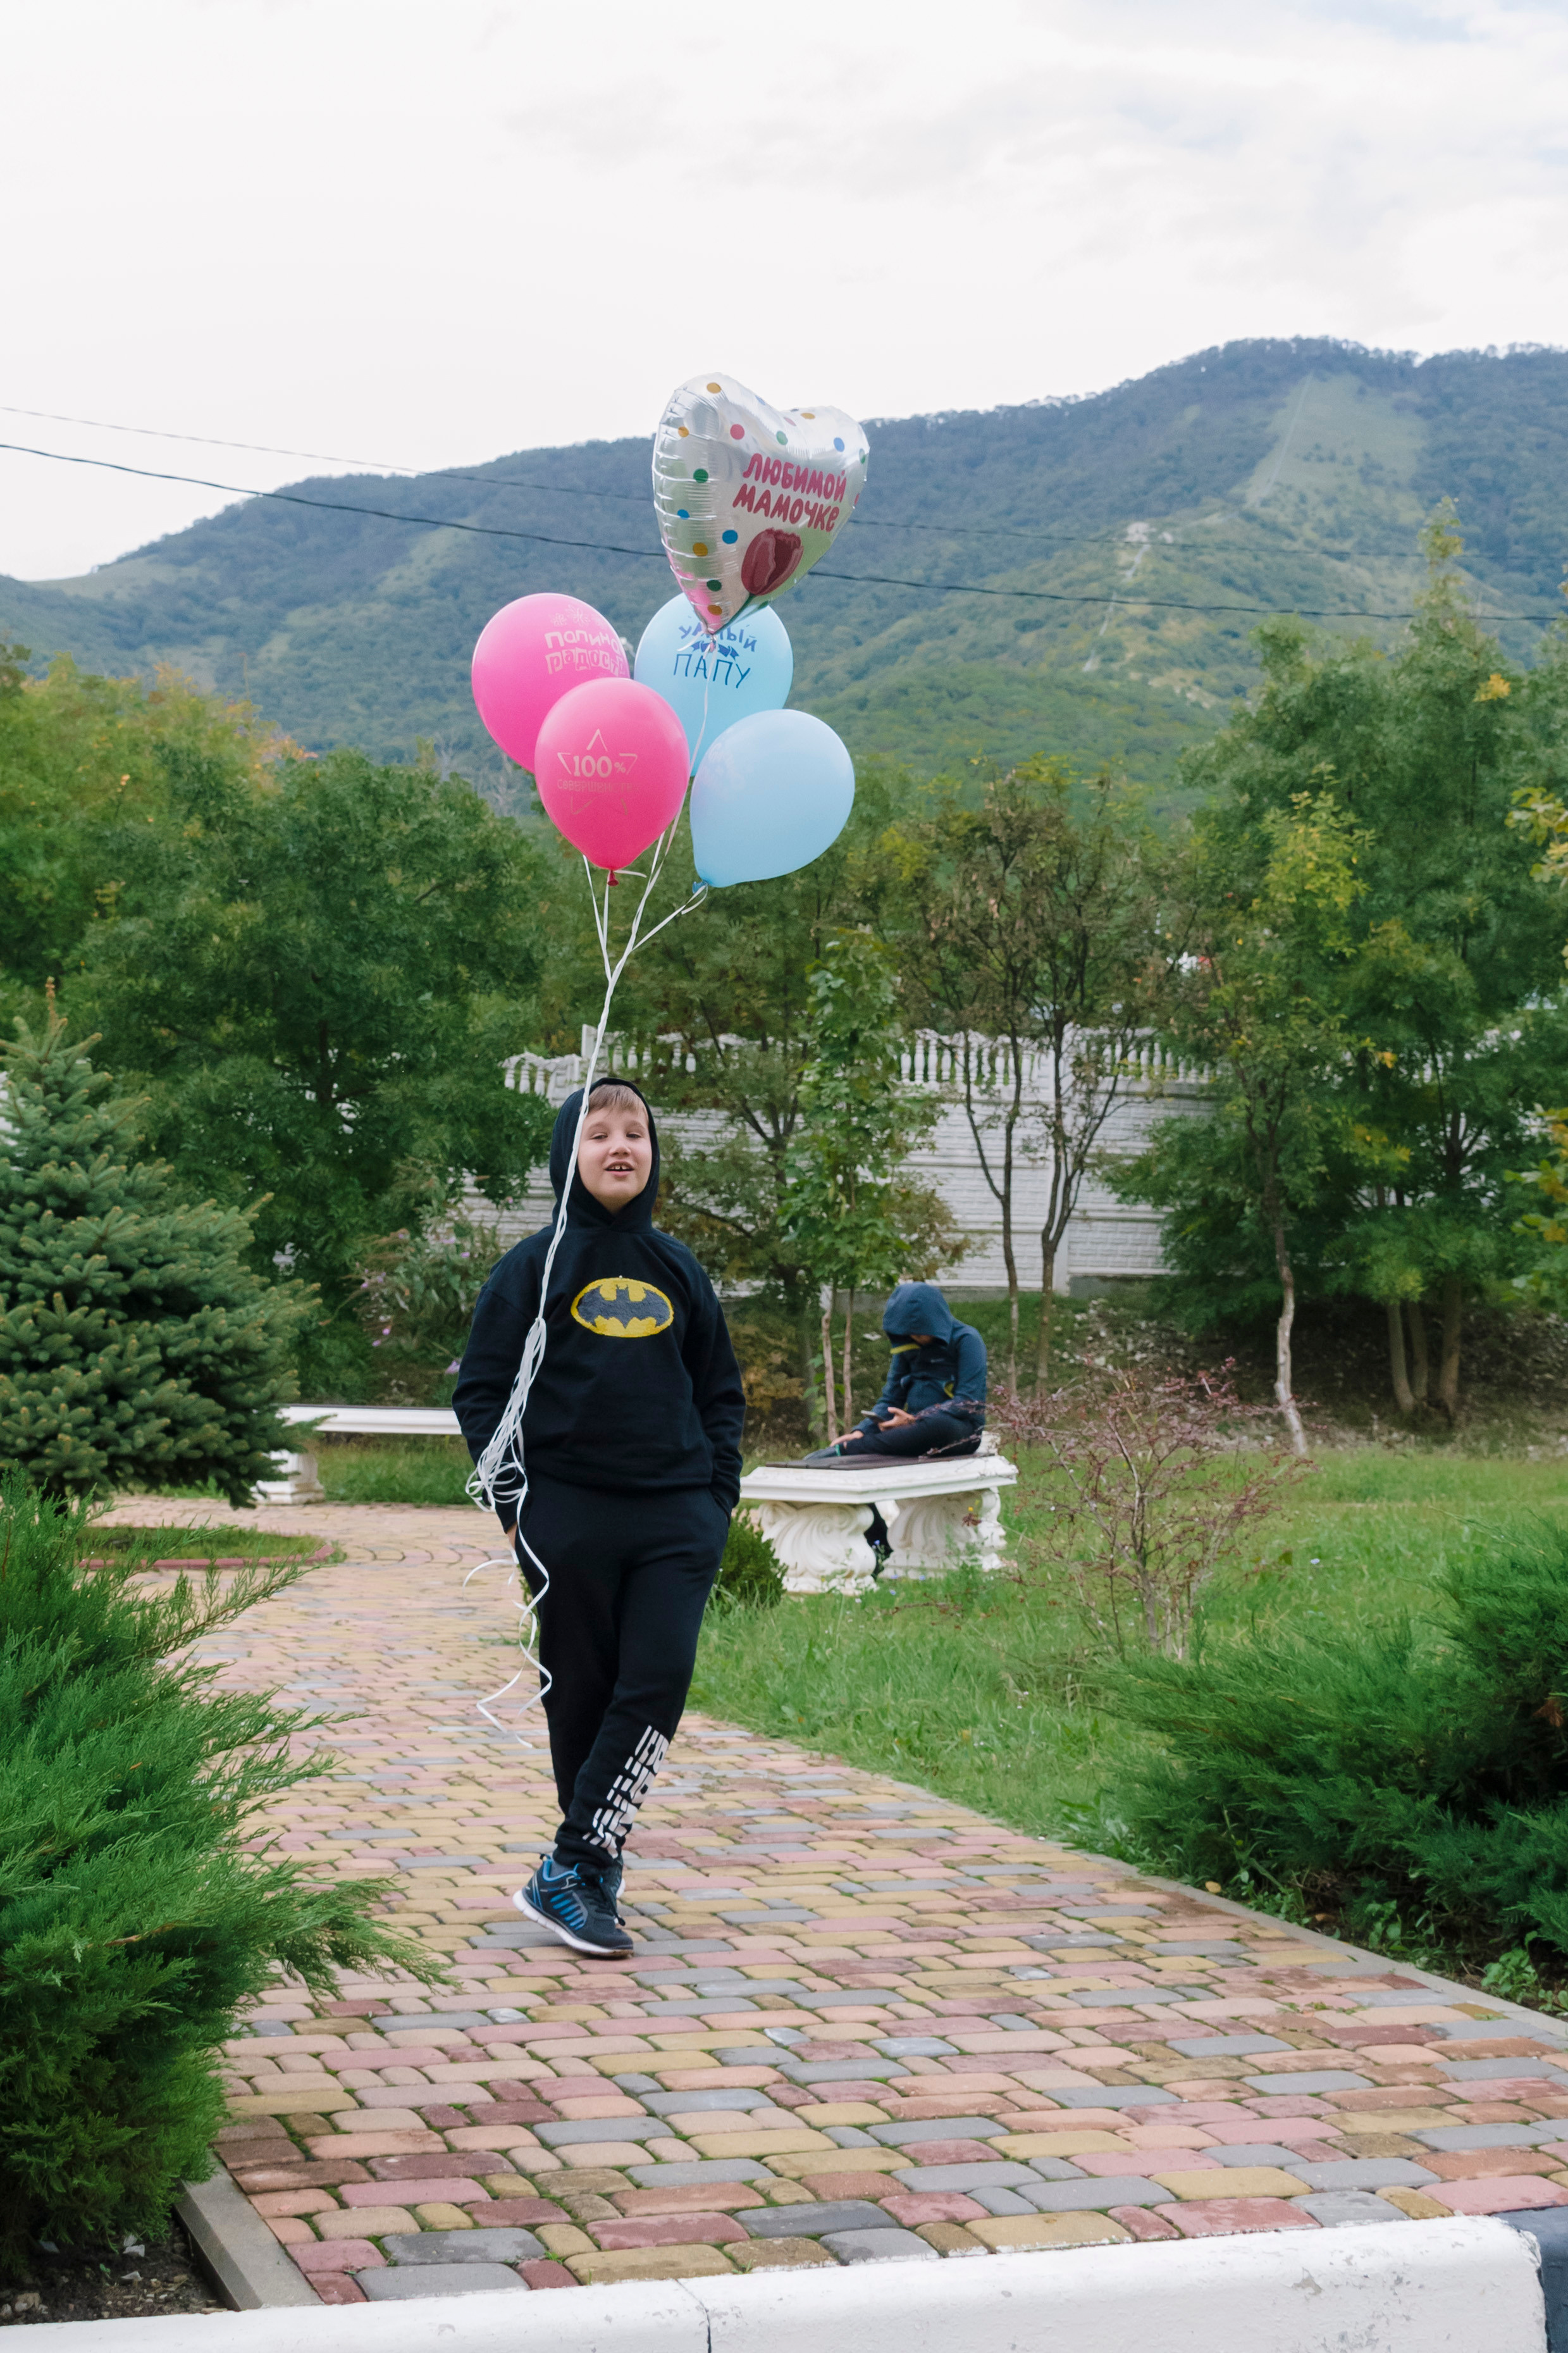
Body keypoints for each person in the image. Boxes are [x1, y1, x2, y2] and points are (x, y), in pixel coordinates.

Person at [454, 1077, 744, 1959]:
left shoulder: (677, 1269)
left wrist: (713, 1501)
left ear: (653, 1155)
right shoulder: (533, 1267)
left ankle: (569, 1863)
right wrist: (513, 1511)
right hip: (567, 1510)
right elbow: (480, 1392)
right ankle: (591, 1870)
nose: (620, 1146)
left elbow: (719, 1391)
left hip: (672, 1514)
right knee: (579, 1691)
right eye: (597, 1133)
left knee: (653, 1681)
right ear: (566, 1156)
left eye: (635, 1133)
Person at [809, 1281, 987, 1462]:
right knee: (903, 1432)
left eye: (919, 1334)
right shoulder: (907, 1344)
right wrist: (861, 1431)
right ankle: (857, 1444)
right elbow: (891, 1399)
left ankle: (850, 1450)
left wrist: (917, 1420)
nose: (914, 1339)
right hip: (911, 1429)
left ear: (934, 1322)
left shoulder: (967, 1340)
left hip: (958, 1431)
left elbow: (968, 1403)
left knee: (938, 1426)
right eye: (910, 1335)